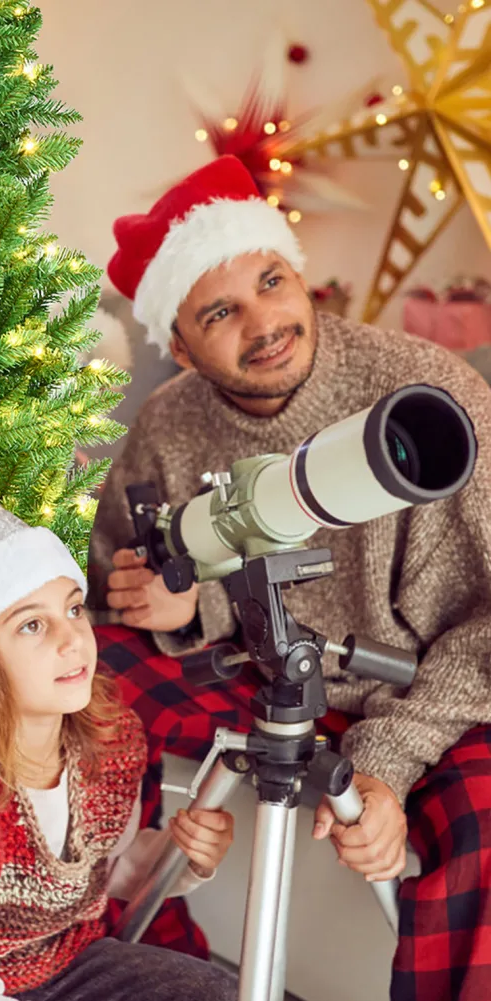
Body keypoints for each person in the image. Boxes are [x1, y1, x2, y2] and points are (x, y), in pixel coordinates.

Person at [88, 154, 491, 1001]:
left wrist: (385, 765)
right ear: (183, 345)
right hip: (262, 674)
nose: (263, 321)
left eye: (272, 281)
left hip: (436, 686)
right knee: (77, 686)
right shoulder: (166, 427)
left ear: (300, 274)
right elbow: (112, 588)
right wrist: (182, 604)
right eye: (221, 311)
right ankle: (110, 956)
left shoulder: (429, 395)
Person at [0, 478, 238, 1001]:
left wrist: (186, 853)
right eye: (31, 626)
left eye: (74, 609)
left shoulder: (108, 743)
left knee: (219, 992)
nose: (72, 637)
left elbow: (108, 872)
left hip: (66, 962)